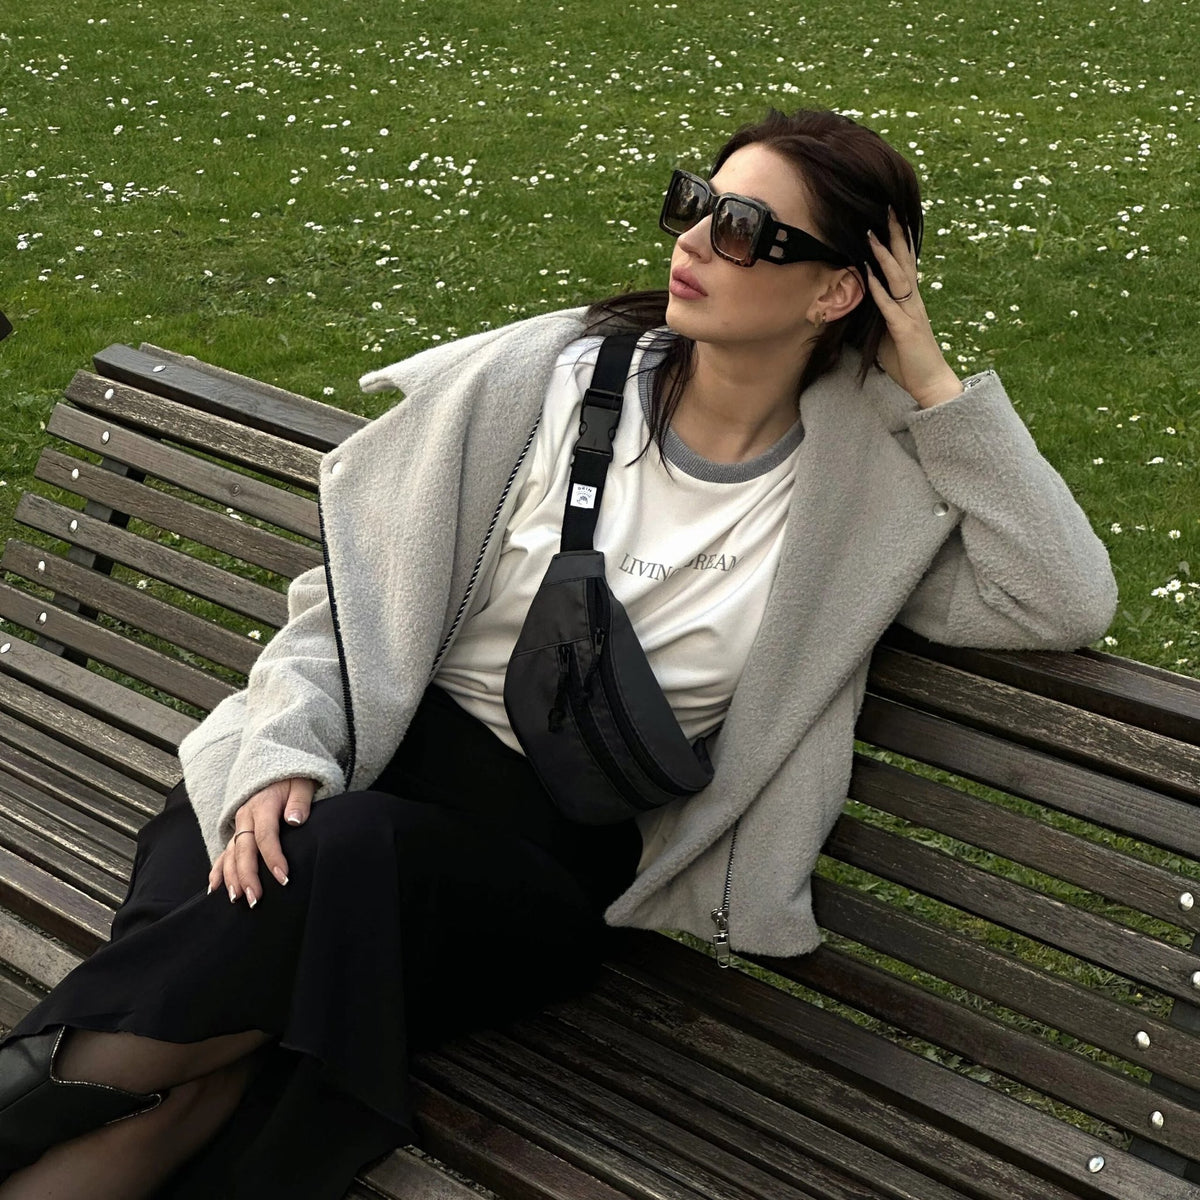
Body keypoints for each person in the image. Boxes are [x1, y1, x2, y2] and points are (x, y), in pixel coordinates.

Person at [0, 107, 1117, 1198]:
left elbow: (1062, 598)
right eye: (697, 202)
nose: (692, 240)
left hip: (530, 872)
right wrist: (284, 752)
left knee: (300, 897)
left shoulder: (862, 492)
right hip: (343, 772)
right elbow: (349, 599)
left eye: (741, 229)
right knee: (200, 1063)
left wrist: (930, 378)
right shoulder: (553, 377)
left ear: (835, 290)